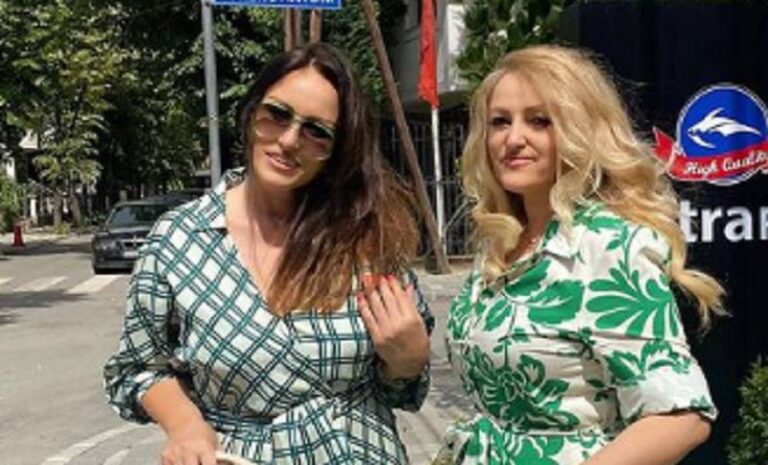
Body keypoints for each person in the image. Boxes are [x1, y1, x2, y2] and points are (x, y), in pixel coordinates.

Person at [104, 43, 433, 465]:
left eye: (317, 132)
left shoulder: (363, 235)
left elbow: (401, 388)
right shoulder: (179, 239)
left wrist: (407, 361)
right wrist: (185, 424)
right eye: (276, 114)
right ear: (250, 113)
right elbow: (137, 369)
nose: (290, 140)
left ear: (338, 150)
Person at [434, 45, 725, 465]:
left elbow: (681, 416)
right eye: (500, 122)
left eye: (539, 120)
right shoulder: (503, 241)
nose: (513, 139)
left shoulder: (607, 245)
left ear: (579, 128)